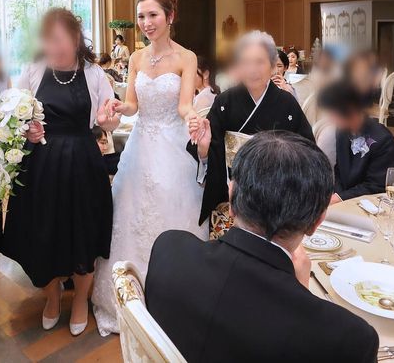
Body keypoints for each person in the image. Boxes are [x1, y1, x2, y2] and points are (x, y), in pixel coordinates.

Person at [145, 131, 379, 363]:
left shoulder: (169, 249)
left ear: (231, 198)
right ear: (316, 222)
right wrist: (301, 295)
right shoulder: (347, 339)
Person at [92, 0, 207, 337]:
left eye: (153, 15)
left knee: (170, 214)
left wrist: (193, 117)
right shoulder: (137, 58)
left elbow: (185, 104)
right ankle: (125, 298)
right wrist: (118, 106)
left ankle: (170, 300)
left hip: (171, 146)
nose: (146, 22)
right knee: (129, 216)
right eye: (141, 16)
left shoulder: (186, 57)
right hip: (140, 145)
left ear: (170, 17)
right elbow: (132, 105)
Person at [2, 8, 119, 337]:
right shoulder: (33, 70)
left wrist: (108, 119)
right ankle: (52, 298)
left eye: (59, 39)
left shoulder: (94, 73)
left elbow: (109, 119)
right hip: (41, 166)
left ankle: (80, 299)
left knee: (84, 232)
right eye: (48, 40)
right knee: (44, 233)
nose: (54, 47)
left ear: (76, 37)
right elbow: (14, 116)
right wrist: (27, 130)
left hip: (83, 164)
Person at [189, 31, 314, 226]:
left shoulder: (287, 104)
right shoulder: (225, 102)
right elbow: (211, 151)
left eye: (260, 62)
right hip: (230, 197)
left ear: (272, 66)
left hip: (276, 198)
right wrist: (204, 150)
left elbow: (307, 151)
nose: (253, 69)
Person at [317, 80, 394, 203]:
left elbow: (377, 187)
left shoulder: (383, 141)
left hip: (378, 204)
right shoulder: (342, 131)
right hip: (349, 200)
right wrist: (337, 195)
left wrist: (339, 198)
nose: (330, 118)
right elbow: (339, 170)